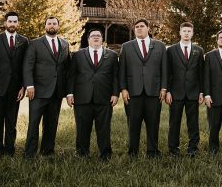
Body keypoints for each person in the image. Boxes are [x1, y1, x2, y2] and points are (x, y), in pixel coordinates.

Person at [118, 18, 168, 158]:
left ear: (148, 29)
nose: (139, 28)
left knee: (153, 122)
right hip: (133, 92)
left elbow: (164, 69)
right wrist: (123, 89)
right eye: (137, 27)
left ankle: (152, 152)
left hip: (154, 91)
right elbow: (122, 70)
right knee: (133, 123)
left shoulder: (160, 46)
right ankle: (133, 152)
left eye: (142, 26)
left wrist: (164, 88)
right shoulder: (126, 46)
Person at [66, 29, 119, 159]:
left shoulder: (112, 55)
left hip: (104, 98)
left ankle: (105, 154)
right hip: (82, 98)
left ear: (102, 40)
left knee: (104, 128)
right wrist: (69, 93)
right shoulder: (77, 55)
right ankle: (82, 153)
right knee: (82, 128)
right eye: (93, 36)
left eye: (98, 36)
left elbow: (115, 76)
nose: (96, 38)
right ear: (88, 39)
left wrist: (115, 93)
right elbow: (71, 75)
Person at [23, 16, 70, 158]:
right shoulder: (35, 43)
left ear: (58, 26)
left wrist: (67, 91)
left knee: (51, 123)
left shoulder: (65, 44)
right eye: (49, 23)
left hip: (56, 91)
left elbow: (66, 68)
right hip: (38, 90)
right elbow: (28, 65)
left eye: (54, 23)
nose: (52, 26)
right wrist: (29, 85)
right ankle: (30, 153)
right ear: (45, 26)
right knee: (34, 123)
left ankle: (47, 151)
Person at [0, 10, 27, 156]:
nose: (12, 24)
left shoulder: (24, 41)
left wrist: (23, 86)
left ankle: (10, 149)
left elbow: (25, 66)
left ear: (18, 23)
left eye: (15, 21)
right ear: (5, 23)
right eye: (10, 21)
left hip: (15, 89)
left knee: (12, 121)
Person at [165, 21, 205, 157]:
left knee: (193, 122)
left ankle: (193, 149)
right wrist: (168, 91)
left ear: (192, 33)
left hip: (193, 92)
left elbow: (201, 72)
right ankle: (173, 150)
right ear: (180, 32)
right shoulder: (170, 50)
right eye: (184, 31)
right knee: (174, 122)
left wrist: (201, 92)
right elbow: (167, 72)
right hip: (175, 92)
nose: (186, 33)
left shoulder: (198, 51)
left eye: (189, 31)